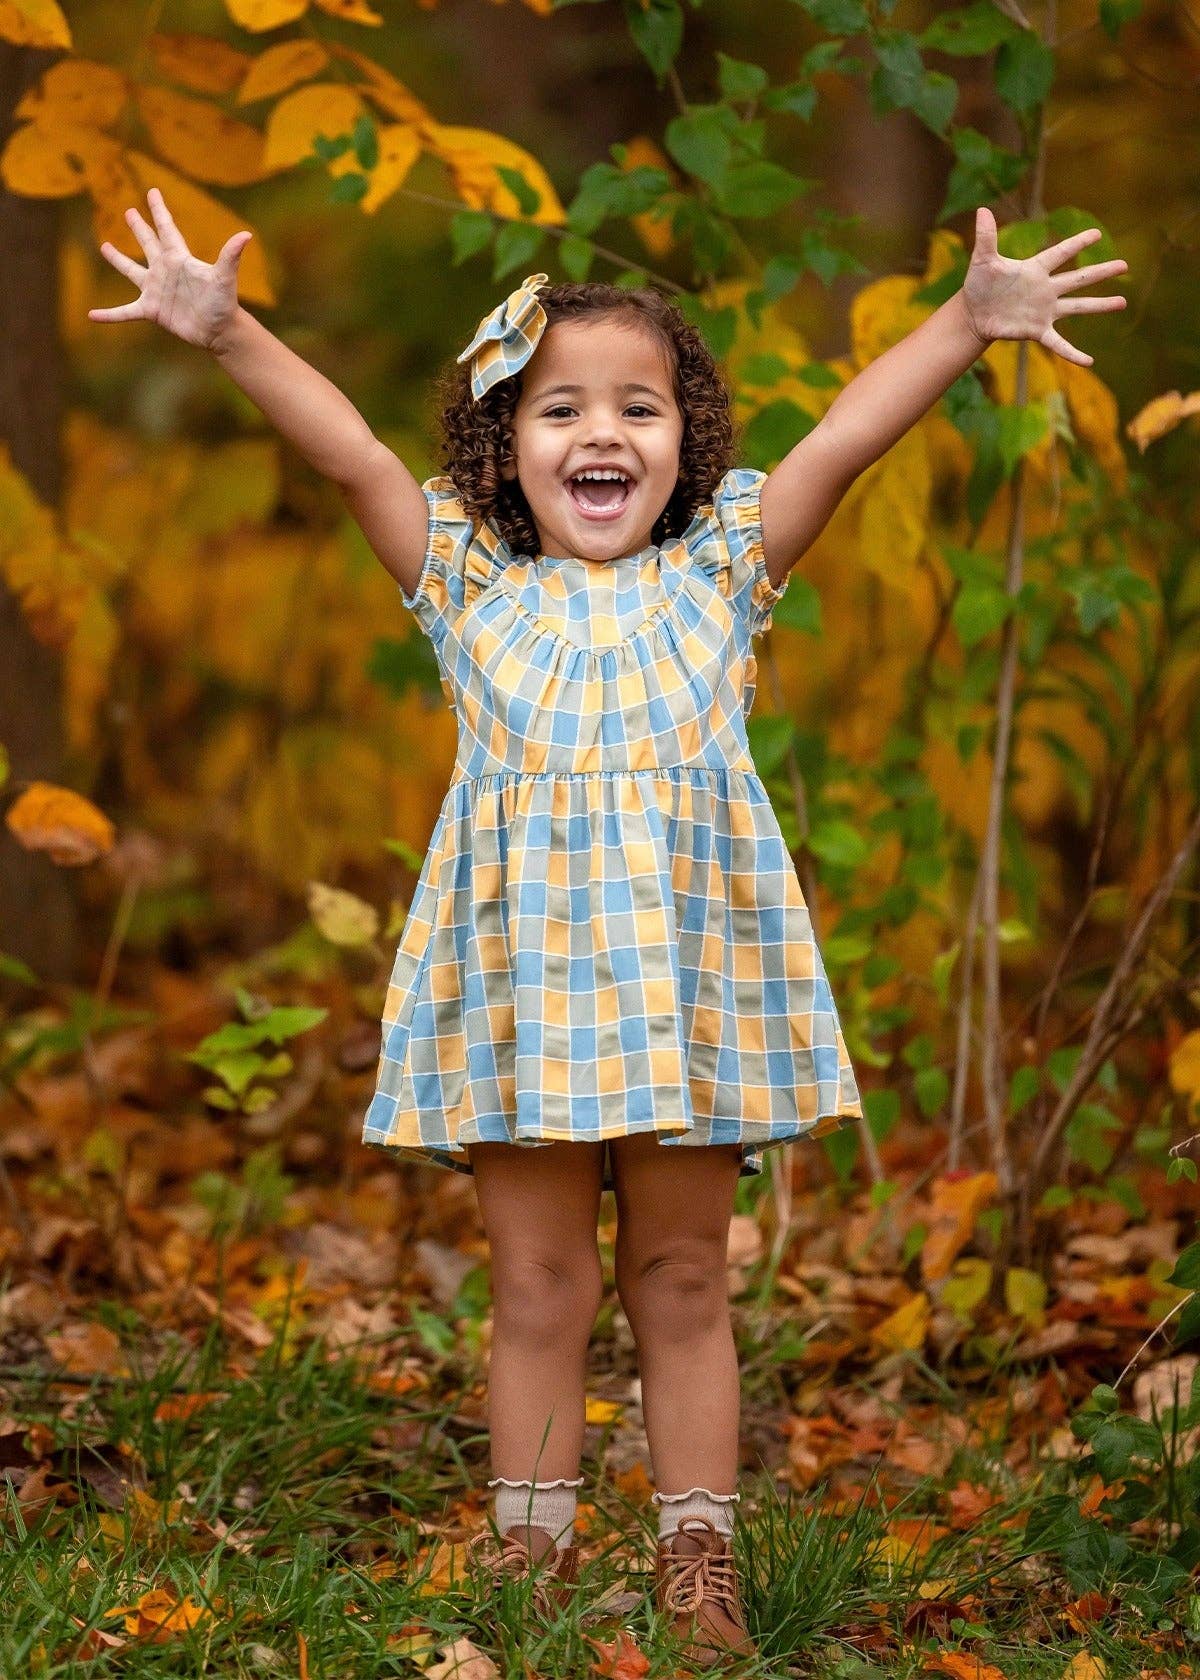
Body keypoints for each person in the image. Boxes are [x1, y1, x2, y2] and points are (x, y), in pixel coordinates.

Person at [90, 189, 1127, 1665]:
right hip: (526, 1007)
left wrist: (965, 324)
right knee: (538, 1282)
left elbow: (840, 439)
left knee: (684, 1279)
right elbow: (350, 458)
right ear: (505, 450)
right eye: (559, 407)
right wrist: (228, 330)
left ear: (685, 444)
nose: (602, 434)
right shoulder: (467, 587)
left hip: (686, 1004)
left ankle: (698, 1562)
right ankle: (534, 1556)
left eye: (639, 407)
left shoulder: (723, 578)